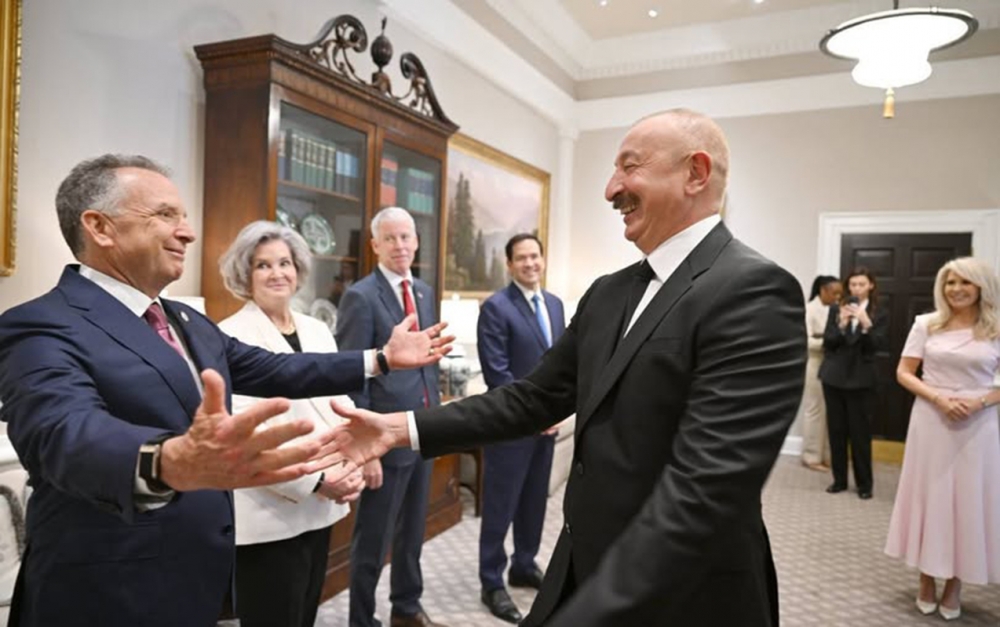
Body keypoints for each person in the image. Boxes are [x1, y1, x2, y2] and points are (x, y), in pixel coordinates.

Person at [324, 109, 807, 626]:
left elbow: (706, 490)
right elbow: (532, 398)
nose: (610, 189)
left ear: (696, 173)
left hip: (686, 593)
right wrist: (399, 428)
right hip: (584, 561)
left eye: (630, 167)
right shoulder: (607, 293)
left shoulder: (754, 291)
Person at [0, 155, 451, 627]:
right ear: (99, 227)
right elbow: (63, 434)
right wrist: (166, 460)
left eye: (184, 216)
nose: (188, 233)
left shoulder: (185, 320)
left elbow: (277, 367)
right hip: (108, 590)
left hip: (194, 575)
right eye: (165, 215)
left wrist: (380, 359)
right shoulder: (42, 324)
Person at [217, 221, 365, 627]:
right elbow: (246, 432)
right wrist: (316, 481)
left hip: (321, 507)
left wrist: (355, 457)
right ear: (245, 275)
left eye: (284, 263)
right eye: (263, 265)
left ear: (298, 269)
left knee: (304, 614)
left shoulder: (317, 329)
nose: (277, 273)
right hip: (269, 512)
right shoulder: (229, 336)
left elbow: (338, 404)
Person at [336, 206, 448, 627]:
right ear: (375, 245)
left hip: (423, 430)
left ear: (416, 242)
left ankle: (406, 607)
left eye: (406, 237)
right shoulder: (360, 296)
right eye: (390, 238)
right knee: (373, 539)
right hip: (383, 437)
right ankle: (361, 620)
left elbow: (427, 359)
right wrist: (366, 450)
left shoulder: (424, 291)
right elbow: (353, 375)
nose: (400, 245)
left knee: (412, 532)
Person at [884, 257, 1000, 621]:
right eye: (950, 282)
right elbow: (904, 372)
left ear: (981, 286)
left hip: (978, 422)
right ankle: (925, 577)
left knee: (968, 500)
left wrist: (979, 402)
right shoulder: (926, 324)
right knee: (930, 497)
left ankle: (954, 584)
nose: (956, 289)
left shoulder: (996, 328)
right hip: (931, 419)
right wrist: (938, 399)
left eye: (965, 282)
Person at [476, 233, 565, 624]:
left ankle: (524, 564)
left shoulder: (555, 304)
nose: (530, 263)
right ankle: (491, 581)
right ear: (509, 265)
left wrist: (556, 409)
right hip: (511, 428)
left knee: (534, 501)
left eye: (535, 256)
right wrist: (535, 415)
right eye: (522, 258)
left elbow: (561, 364)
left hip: (546, 426)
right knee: (500, 506)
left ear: (543, 259)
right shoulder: (496, 308)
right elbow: (498, 375)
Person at [818, 267, 888, 500]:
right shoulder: (836, 309)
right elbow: (828, 343)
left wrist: (866, 325)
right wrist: (840, 324)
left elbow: (877, 346)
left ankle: (864, 484)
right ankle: (839, 480)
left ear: (871, 286)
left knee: (860, 434)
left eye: (861, 284)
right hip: (834, 378)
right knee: (836, 431)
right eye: (853, 284)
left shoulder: (879, 312)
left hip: (862, 380)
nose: (856, 288)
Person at [801, 275, 841, 471]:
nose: (837, 297)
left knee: (830, 411)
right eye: (834, 293)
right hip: (815, 364)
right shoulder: (809, 309)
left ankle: (827, 455)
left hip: (832, 365)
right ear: (823, 291)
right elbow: (805, 340)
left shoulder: (836, 309)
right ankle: (811, 456)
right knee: (815, 410)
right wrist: (828, 342)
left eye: (840, 293)